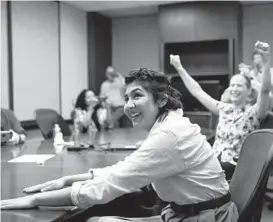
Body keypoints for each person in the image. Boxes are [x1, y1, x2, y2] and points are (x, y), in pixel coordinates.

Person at [0, 68, 238, 222]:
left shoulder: (169, 135)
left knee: (98, 221)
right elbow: (123, 169)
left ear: (162, 100)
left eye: (137, 96)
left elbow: (105, 188)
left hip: (208, 218)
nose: (129, 105)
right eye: (126, 98)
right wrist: (70, 178)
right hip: (188, 212)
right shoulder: (170, 125)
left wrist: (35, 200)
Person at [170, 41, 272, 181]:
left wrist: (266, 61)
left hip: (234, 168)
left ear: (249, 91)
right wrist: (179, 67)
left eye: (239, 86)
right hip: (213, 162)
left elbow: (265, 90)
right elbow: (197, 91)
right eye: (232, 85)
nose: (234, 89)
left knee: (186, 170)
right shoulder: (224, 109)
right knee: (175, 161)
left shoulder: (253, 113)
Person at [221, 42, 273, 110]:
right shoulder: (251, 72)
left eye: (259, 58)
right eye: (254, 58)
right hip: (251, 106)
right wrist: (243, 75)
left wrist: (251, 79)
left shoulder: (270, 72)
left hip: (267, 104)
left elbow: (267, 88)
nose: (257, 60)